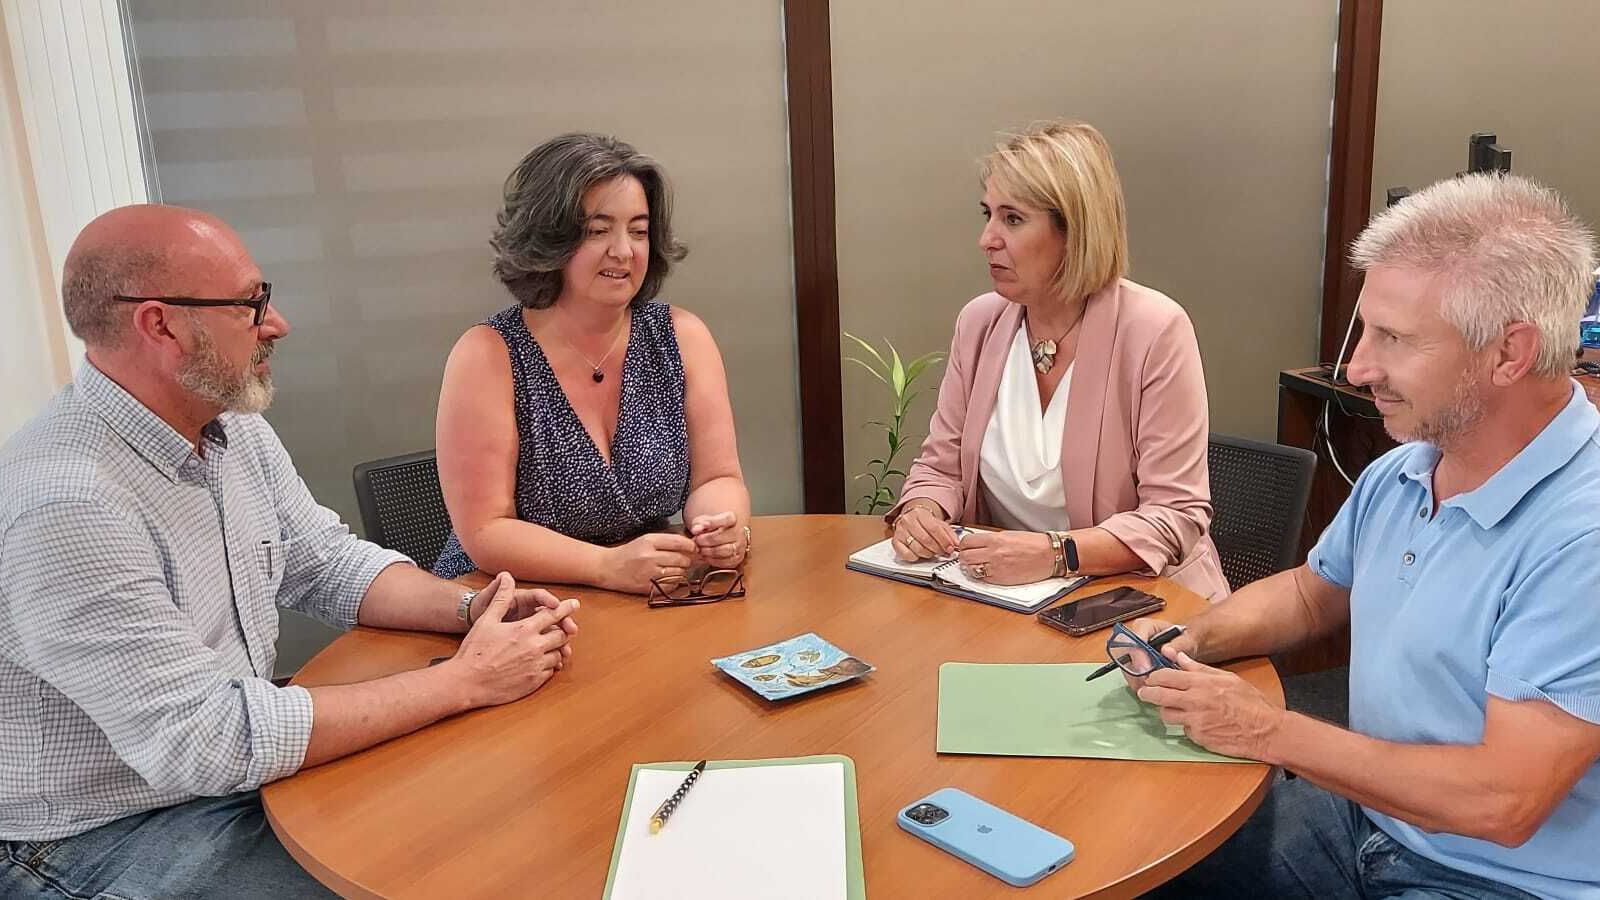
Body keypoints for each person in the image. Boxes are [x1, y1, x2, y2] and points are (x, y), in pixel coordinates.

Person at [0, 205, 580, 899]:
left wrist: (469, 607)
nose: (277, 324)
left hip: (230, 769)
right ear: (159, 324)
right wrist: (465, 682)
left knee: (490, 816)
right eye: (251, 304)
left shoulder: (225, 425)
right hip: (102, 834)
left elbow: (322, 561)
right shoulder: (67, 504)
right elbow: (206, 742)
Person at [1131, 174, 1600, 899]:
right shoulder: (1409, 470)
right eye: (1365, 330)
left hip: (1501, 879)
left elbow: (1502, 802)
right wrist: (1190, 637)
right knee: (1145, 864)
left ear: (1510, 353)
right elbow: (1313, 594)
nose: (1359, 368)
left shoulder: (1583, 538)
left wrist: (1263, 731)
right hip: (1370, 819)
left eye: (1395, 339)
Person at [888, 120, 1228, 600]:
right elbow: (940, 467)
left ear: (1074, 231)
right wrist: (921, 511)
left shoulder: (1155, 330)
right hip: (1003, 601)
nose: (986, 239)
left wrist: (1054, 554)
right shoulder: (980, 324)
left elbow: (1175, 516)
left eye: (1012, 219)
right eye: (987, 214)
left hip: (1136, 604)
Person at [432, 133, 750, 595]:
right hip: (511, 603)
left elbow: (718, 477)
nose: (623, 252)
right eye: (598, 231)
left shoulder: (682, 337)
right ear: (549, 239)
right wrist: (606, 566)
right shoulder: (487, 353)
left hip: (647, 591)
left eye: (638, 231)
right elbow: (485, 531)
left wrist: (720, 527)